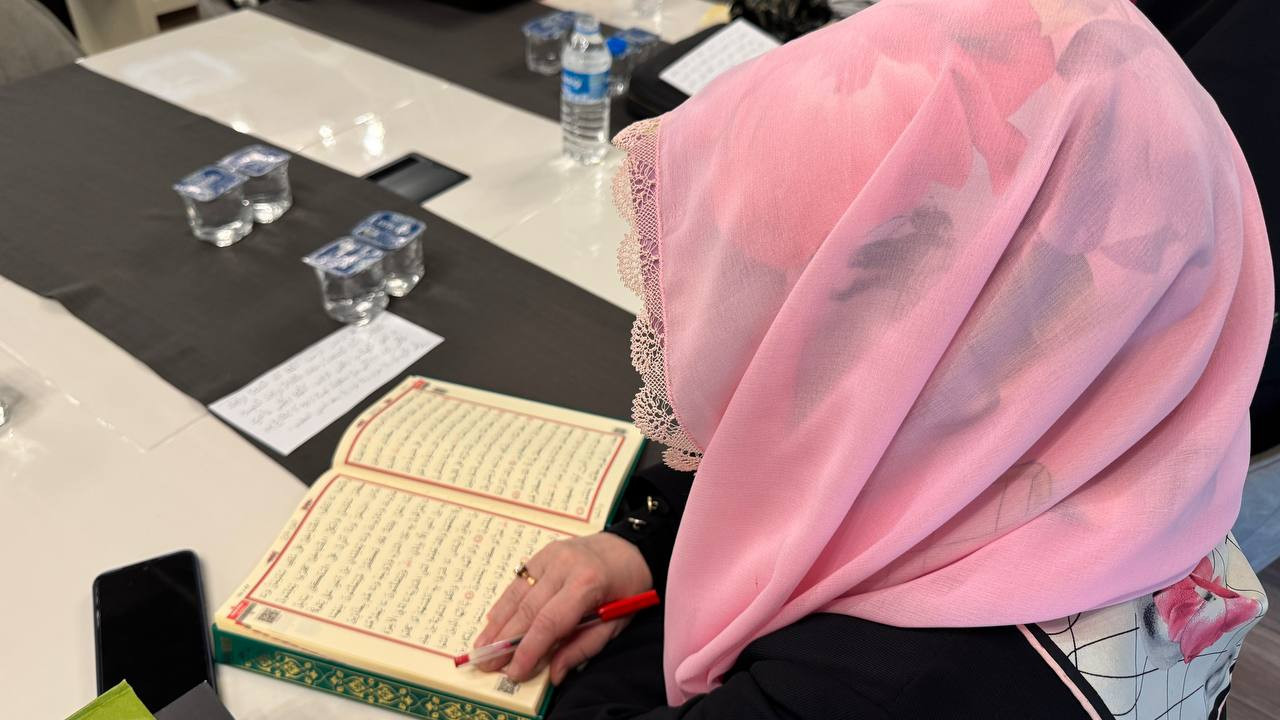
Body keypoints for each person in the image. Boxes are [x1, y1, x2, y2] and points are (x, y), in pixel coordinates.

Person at [473, 0, 1274, 716]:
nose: (776, 360)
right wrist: (645, 544)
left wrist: (621, 644)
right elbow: (831, 463)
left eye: (805, 306)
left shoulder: (883, 682)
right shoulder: (1128, 439)